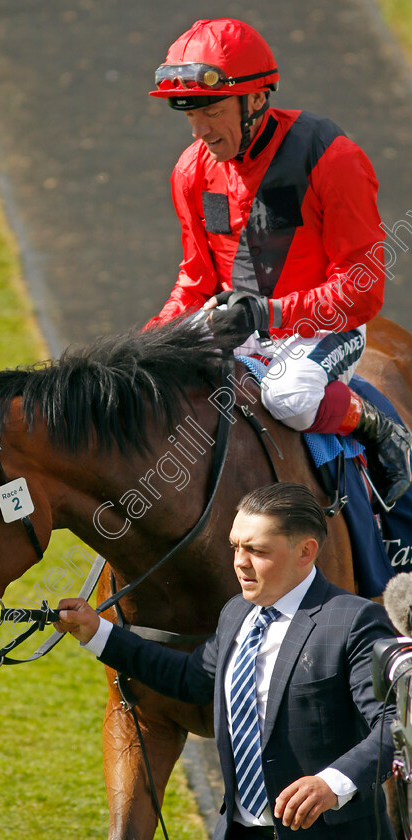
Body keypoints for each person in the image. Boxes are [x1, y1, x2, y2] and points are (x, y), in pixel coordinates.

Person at [144, 18, 412, 507]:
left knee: (289, 396)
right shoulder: (190, 171)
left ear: (257, 99)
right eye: (189, 115)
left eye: (212, 111)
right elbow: (197, 281)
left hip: (325, 326)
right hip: (238, 321)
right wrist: (149, 343)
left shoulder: (332, 158)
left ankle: (381, 430)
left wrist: (271, 315)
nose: (199, 130)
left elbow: (362, 289)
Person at [54, 482, 396, 840]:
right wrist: (97, 632)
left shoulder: (355, 621)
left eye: (257, 550)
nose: (239, 563)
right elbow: (191, 677)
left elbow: (396, 724)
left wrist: (332, 783)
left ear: (306, 552)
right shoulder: (237, 613)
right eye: (235, 546)